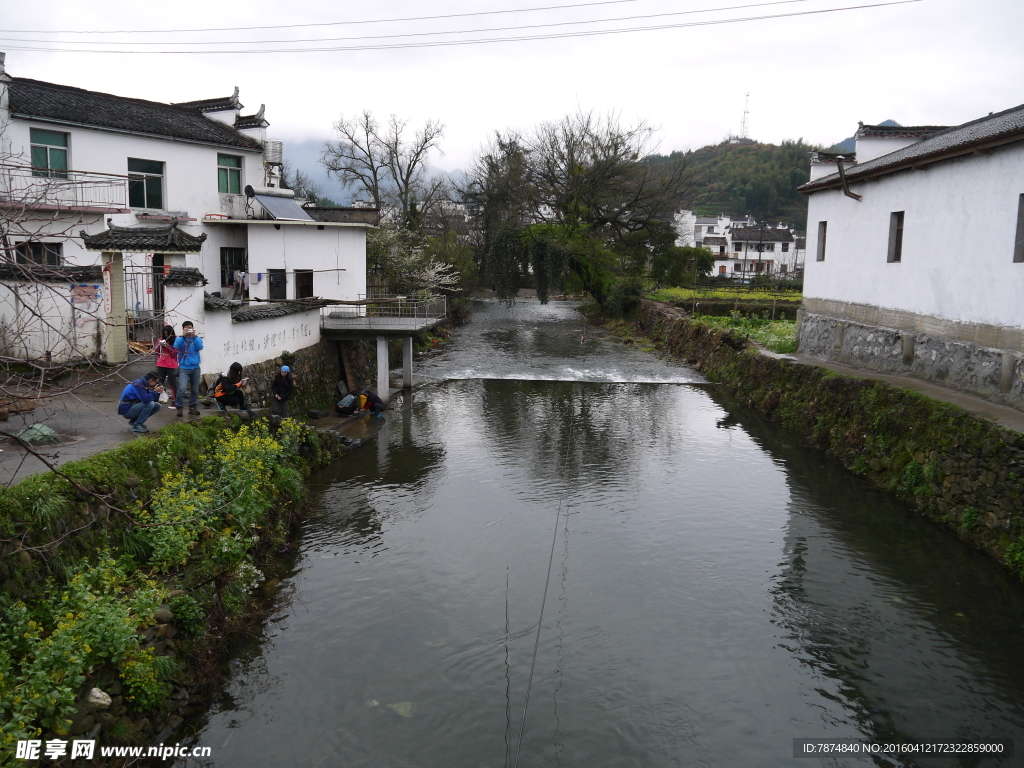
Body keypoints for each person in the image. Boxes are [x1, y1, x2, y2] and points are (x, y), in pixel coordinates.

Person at [173, 320, 204, 416]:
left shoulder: (196, 339)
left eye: (190, 327)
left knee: (195, 389)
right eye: (186, 328)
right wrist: (183, 336)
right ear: (183, 329)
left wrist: (194, 337)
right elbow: (176, 347)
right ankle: (179, 407)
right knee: (181, 389)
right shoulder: (180, 339)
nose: (188, 329)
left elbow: (200, 347)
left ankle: (193, 407)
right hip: (184, 367)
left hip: (195, 367)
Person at [154, 324, 178, 409]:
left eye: (168, 334)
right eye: (165, 334)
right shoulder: (160, 339)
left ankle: (175, 401)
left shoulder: (176, 340)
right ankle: (156, 399)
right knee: (159, 382)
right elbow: (156, 352)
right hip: (161, 364)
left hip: (171, 365)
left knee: (173, 384)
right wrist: (159, 345)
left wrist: (167, 346)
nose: (166, 336)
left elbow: (175, 353)